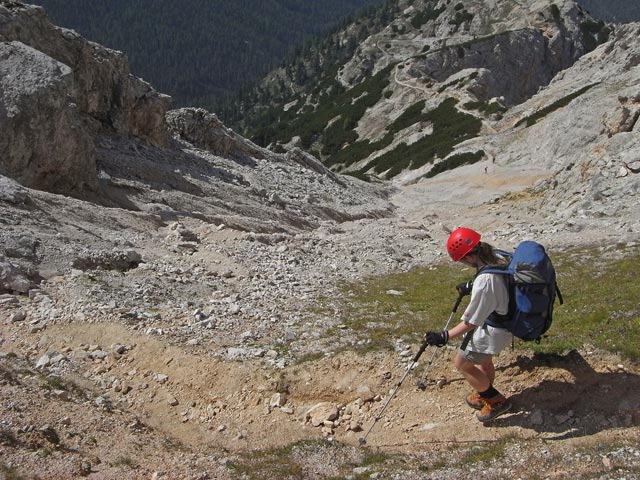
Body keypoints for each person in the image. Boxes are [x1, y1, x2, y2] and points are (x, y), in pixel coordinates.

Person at [424, 227, 513, 422]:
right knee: (483, 360)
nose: (463, 264)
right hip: (504, 321)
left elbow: (471, 322)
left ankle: (495, 400)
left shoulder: (485, 282)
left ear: (471, 257)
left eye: (462, 260)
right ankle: (484, 393)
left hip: (494, 329)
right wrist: (471, 285)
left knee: (462, 363)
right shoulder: (496, 256)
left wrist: (443, 336)